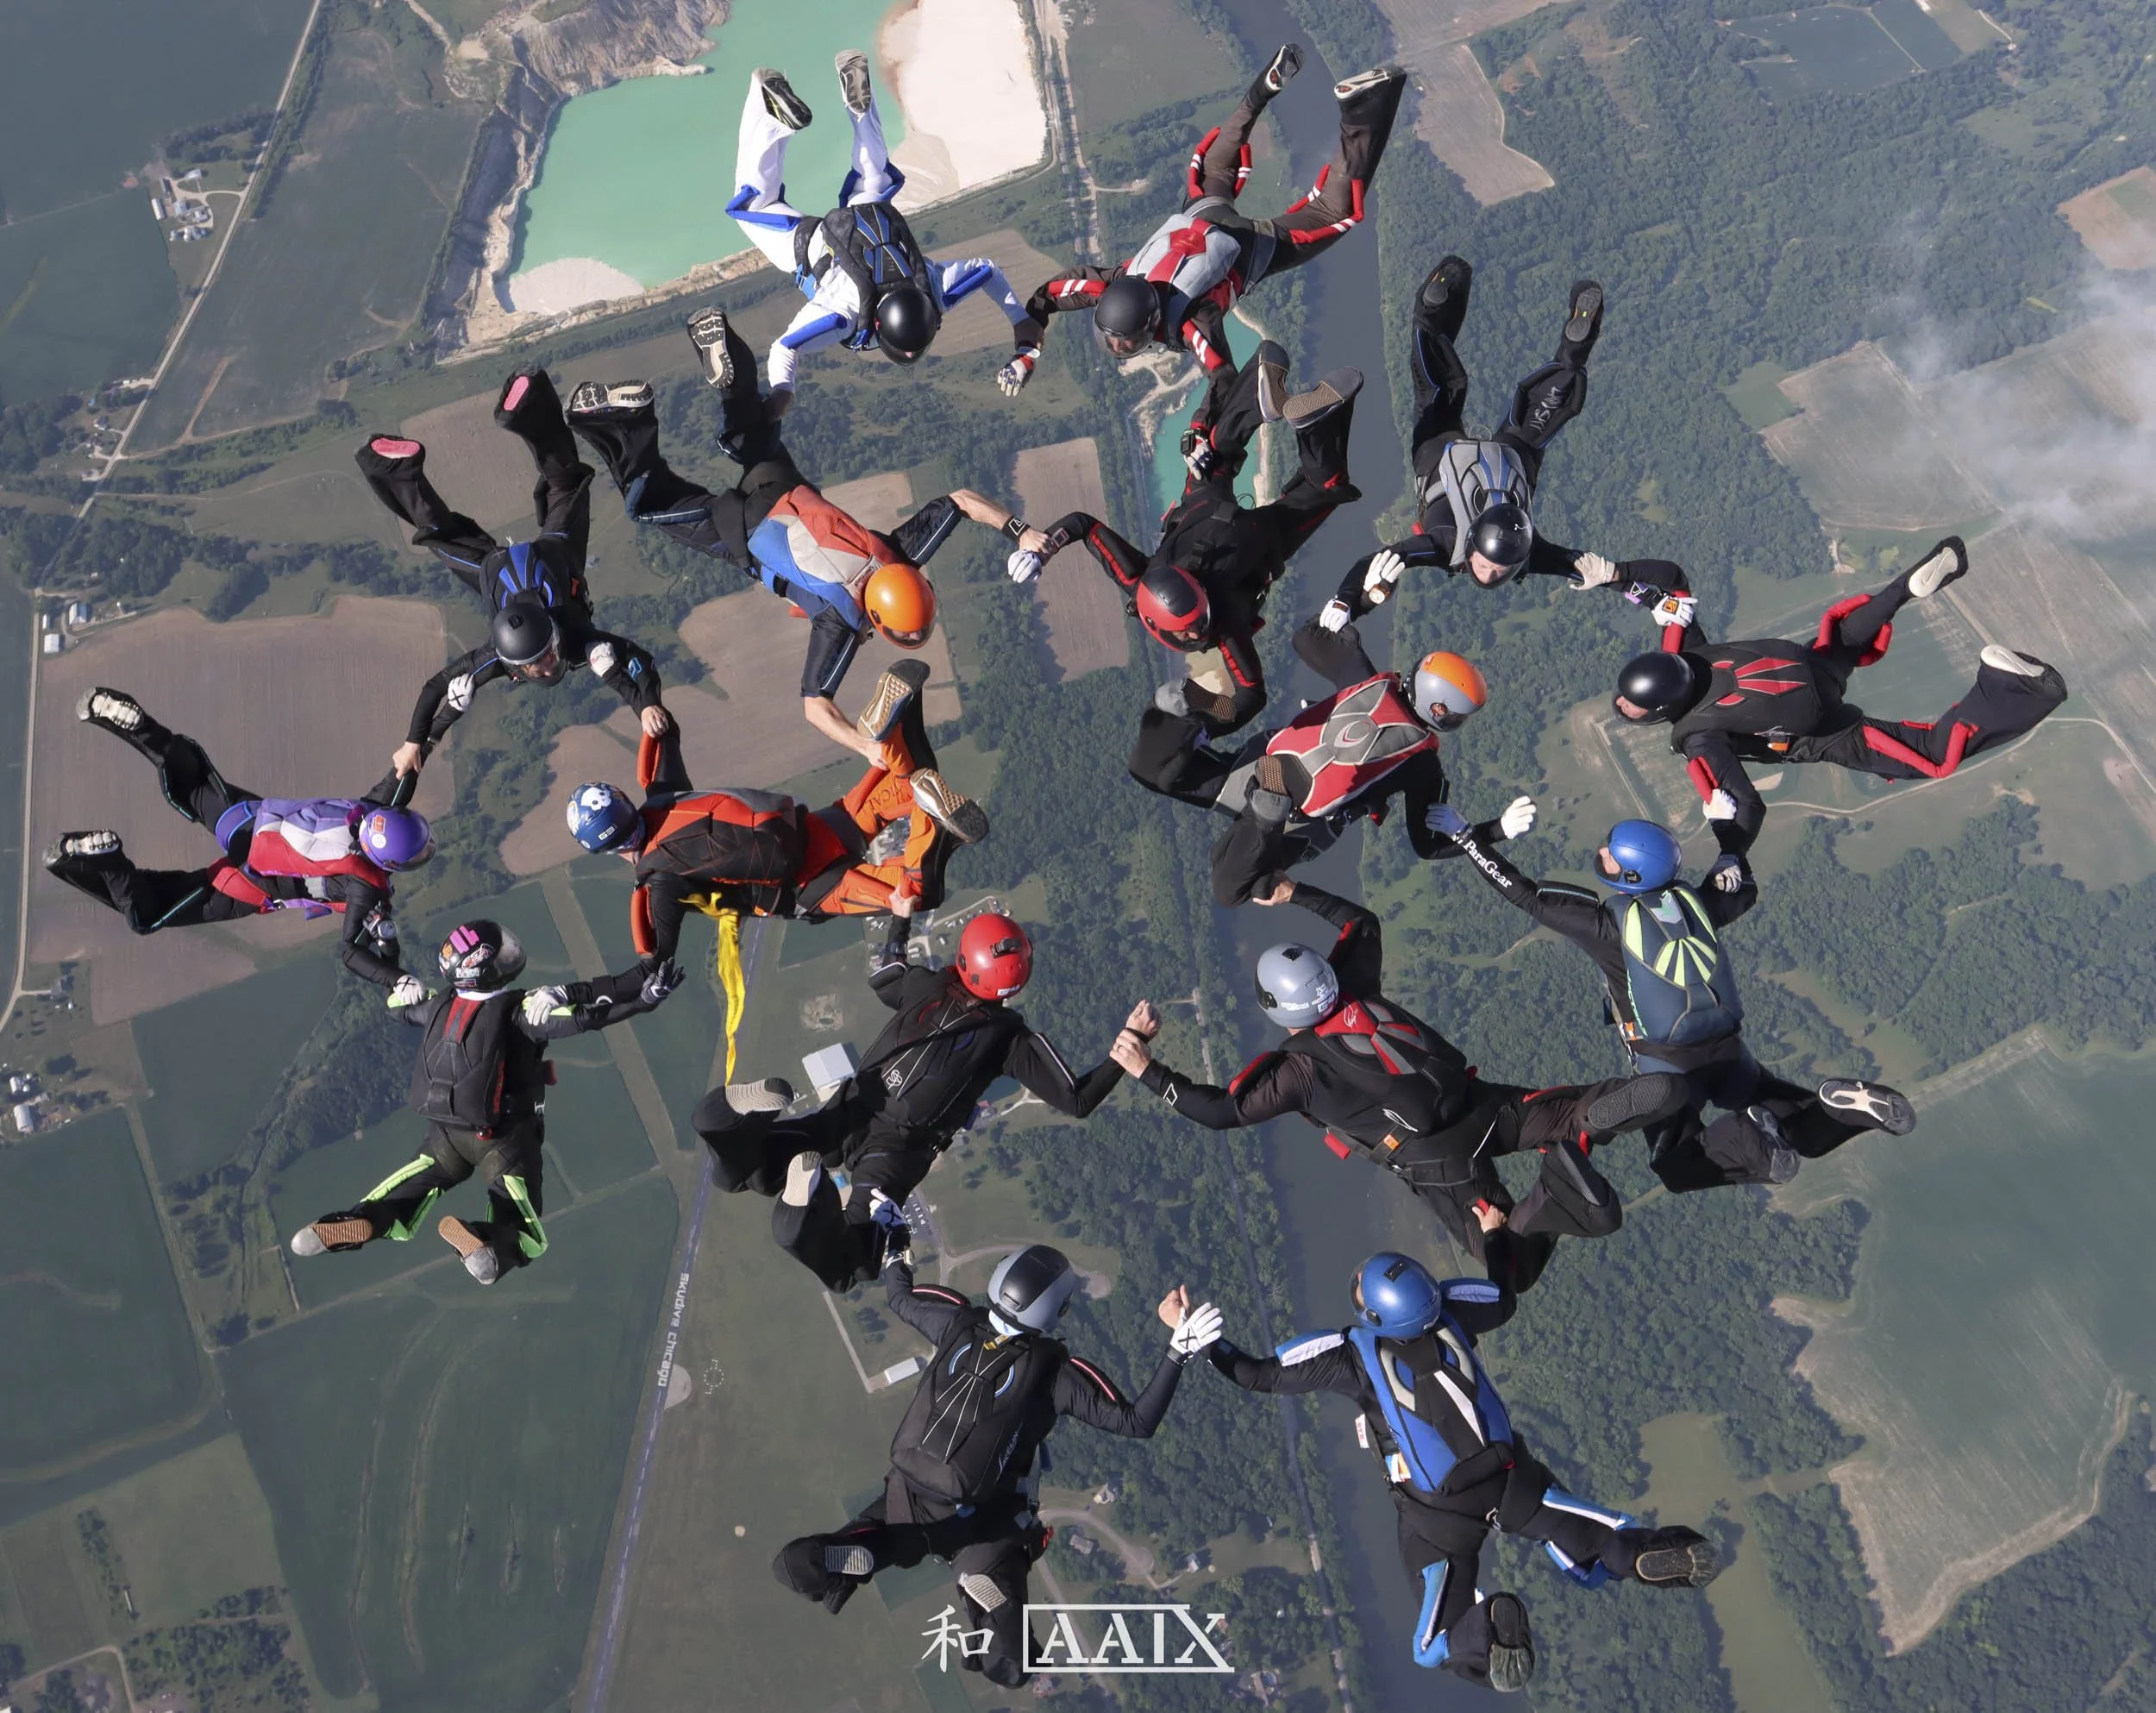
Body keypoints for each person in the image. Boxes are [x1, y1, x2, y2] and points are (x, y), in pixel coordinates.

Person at [1112, 879, 1689, 1294]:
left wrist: (1148, 1073)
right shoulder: (1353, 981)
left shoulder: (1299, 1072)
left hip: (1436, 1160)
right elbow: (1361, 922)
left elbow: (1221, 1112)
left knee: (1509, 1270)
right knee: (1560, 1114)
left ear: (1275, 1007)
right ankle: (1592, 1115)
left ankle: (1553, 1196)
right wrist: (1294, 893)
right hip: (1480, 1103)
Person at [1204, 1251, 1719, 1691]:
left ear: (1376, 1318)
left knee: (1430, 1647)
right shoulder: (1451, 1310)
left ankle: (1490, 1632)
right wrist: (1493, 1232)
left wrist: (1198, 1339)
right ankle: (1647, 1551)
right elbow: (1502, 1297)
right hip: (1513, 1480)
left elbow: (1256, 1375)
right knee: (1599, 1548)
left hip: (1439, 1519)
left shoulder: (1351, 1355)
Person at [566, 311, 1016, 765]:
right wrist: (865, 747)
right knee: (648, 503)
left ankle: (728, 361)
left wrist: (1022, 532)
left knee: (749, 435)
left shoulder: (900, 555)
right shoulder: (840, 626)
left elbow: (960, 502)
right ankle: (631, 421)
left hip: (784, 490)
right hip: (739, 531)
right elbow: (815, 708)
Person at [774, 1240, 1222, 1689]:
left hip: (907, 1490)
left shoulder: (957, 1322)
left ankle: (834, 1556)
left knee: (881, 1539)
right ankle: (990, 1603)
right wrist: (1178, 1349)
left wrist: (895, 1246)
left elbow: (899, 1297)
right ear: (1053, 1312)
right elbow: (1136, 1421)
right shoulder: (1053, 1374)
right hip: (988, 1521)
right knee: (1013, 1664)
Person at [1427, 807, 1919, 1191]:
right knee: (1796, 1121)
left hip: (1668, 1068)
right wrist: (1730, 845)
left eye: (1612, 856)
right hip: (1730, 1050)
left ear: (1632, 878)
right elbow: (1741, 889)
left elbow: (1525, 894)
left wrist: (1469, 839)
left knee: (1675, 1166)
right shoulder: (1697, 903)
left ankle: (1759, 1146)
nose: (1602, 853)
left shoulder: (1607, 926)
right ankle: (1847, 1110)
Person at [696, 900, 1151, 1289]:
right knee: (858, 1258)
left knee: (754, 1167)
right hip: (900, 1149)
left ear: (966, 957)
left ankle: (722, 1123)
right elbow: (1077, 1100)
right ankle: (798, 1219)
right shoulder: (1009, 1039)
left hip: (857, 1103)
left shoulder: (927, 986)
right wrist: (1127, 1047)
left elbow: (885, 972)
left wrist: (900, 916)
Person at [1016, 44, 1406, 442]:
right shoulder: (1112, 282)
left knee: (1333, 214)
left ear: (1152, 324)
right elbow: (1050, 293)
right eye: (1117, 340)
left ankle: (1361, 110)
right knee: (1214, 167)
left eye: (1126, 341)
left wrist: (1200, 426)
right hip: (1199, 217)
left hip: (1249, 247)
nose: (1121, 346)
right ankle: (1261, 92)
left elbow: (1222, 376)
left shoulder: (1190, 323)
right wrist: (1024, 350)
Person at [1612, 538, 2068, 857]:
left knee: (1927, 754)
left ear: (1664, 712)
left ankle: (2019, 685)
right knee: (1843, 642)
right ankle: (1905, 588)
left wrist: (1730, 851)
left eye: (1632, 708)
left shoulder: (1699, 739)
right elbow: (1672, 580)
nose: (1624, 709)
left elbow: (1750, 806)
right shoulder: (1685, 653)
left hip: (1823, 730)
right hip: (1808, 669)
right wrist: (1614, 576)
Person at [287, 921, 682, 1283]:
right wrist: (644, 1001)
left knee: (404, 1197)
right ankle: (482, 1242)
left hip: (445, 1137)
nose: (512, 956)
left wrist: (395, 969)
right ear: (487, 968)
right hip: (504, 1138)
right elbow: (587, 1016)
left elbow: (397, 1006)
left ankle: (359, 1221)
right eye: (504, 953)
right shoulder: (522, 1012)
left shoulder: (436, 1005)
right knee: (526, 1234)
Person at [1007, 342, 1362, 741]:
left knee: (1325, 488)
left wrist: (1205, 721)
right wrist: (1046, 545)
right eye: (1194, 628)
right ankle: (1258, 396)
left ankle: (1311, 429)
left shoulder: (1223, 624)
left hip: (1259, 541)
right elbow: (1084, 526)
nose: (1196, 634)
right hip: (1204, 504)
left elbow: (1252, 695)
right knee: (1212, 448)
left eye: (1192, 628)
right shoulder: (1137, 580)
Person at [353, 367, 670, 779]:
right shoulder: (518, 653)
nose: (547, 664)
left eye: (540, 663)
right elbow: (633, 663)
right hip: (504, 568)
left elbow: (438, 689)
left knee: (565, 483)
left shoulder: (552, 647)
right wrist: (646, 703)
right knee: (445, 533)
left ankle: (526, 408)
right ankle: (402, 466)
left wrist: (418, 739)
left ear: (518, 667)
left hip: (544, 556)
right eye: (544, 662)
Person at [565, 663, 987, 962]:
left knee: (916, 893)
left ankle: (931, 821)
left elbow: (653, 952)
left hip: (808, 886)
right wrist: (633, 693)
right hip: (807, 828)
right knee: (905, 783)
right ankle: (889, 739)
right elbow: (663, 730)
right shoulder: (662, 795)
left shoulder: (659, 880)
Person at [47, 688, 431, 1000]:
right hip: (250, 885)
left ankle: (140, 727)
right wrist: (395, 979)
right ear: (391, 863)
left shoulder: (375, 807)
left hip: (256, 825)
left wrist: (440, 718)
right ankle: (108, 861)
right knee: (147, 915)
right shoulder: (367, 886)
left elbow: (413, 760)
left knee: (193, 782)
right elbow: (351, 952)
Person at [1127, 599, 1518, 904]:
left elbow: (1306, 638)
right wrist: (1495, 830)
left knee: (1152, 772)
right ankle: (1264, 815)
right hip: (1296, 825)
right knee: (1230, 887)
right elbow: (1428, 846)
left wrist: (1355, 603)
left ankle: (1180, 711)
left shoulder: (1366, 680)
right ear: (1440, 713)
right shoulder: (1424, 767)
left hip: (1259, 765)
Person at [1317, 257, 1633, 614]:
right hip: (1439, 456)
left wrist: (1625, 583)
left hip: (1512, 456)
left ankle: (1574, 353)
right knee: (1436, 395)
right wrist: (1345, 601)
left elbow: (1577, 564)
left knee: (1541, 414)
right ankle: (1429, 319)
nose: (1490, 566)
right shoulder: (1445, 546)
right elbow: (1386, 557)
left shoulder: (1527, 551)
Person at [725, 57, 1044, 402]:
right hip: (814, 245)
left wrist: (1018, 318)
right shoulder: (843, 317)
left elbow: (987, 270)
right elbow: (785, 347)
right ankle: (773, 118)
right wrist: (782, 393)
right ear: (878, 327)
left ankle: (861, 110)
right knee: (751, 206)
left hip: (871, 215)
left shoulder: (935, 294)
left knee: (873, 176)